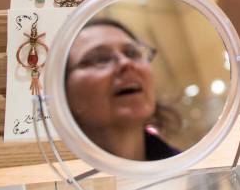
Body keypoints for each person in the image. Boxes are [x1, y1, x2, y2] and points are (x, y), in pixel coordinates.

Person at [65, 19, 179, 161]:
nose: (126, 62)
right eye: (100, 59)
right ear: (62, 92)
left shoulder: (192, 174)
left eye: (132, 53)